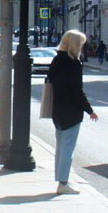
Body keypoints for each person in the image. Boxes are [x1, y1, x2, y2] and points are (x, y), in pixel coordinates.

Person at [42, 29, 97, 194]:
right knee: (67, 149)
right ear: (75, 45)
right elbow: (76, 91)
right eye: (80, 44)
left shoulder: (56, 60)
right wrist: (89, 110)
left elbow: (51, 82)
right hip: (71, 111)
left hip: (57, 110)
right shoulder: (74, 64)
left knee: (60, 148)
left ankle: (61, 179)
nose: (82, 47)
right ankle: (63, 183)